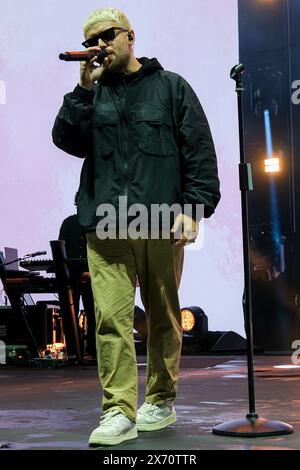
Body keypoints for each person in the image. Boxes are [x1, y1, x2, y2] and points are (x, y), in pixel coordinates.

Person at [52, 7, 220, 446]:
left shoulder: (170, 87)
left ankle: (160, 400)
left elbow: (199, 149)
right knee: (110, 319)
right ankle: (118, 411)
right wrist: (83, 91)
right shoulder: (94, 93)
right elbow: (67, 140)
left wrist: (196, 206)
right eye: (91, 41)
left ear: (130, 36)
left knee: (163, 316)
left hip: (160, 220)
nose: (99, 46)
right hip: (105, 222)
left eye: (107, 36)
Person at [58, 196, 96, 359]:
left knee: (93, 314)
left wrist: (91, 270)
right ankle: (74, 352)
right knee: (69, 316)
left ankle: (93, 351)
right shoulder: (68, 223)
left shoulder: (96, 223)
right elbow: (61, 249)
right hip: (71, 276)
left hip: (91, 274)